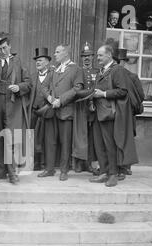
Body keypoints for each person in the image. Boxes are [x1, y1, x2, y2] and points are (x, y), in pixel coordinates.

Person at [0, 32, 31, 184]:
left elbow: (29, 83)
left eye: (5, 48)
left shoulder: (17, 61)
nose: (3, 51)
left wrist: (19, 87)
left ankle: (12, 172)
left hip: (12, 103)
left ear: (10, 46)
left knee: (10, 138)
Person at [90, 45, 138, 187]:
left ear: (109, 55)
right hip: (99, 113)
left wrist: (103, 94)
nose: (97, 58)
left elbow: (123, 91)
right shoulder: (101, 71)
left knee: (110, 146)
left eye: (100, 55)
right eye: (97, 55)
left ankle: (113, 175)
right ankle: (104, 172)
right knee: (100, 145)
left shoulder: (117, 70)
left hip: (110, 114)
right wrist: (92, 100)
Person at [42, 44, 84, 181]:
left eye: (57, 52)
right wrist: (49, 97)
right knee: (50, 141)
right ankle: (49, 169)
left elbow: (77, 88)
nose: (55, 54)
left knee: (65, 142)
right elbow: (44, 86)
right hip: (51, 111)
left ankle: (64, 170)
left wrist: (61, 100)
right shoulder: (54, 69)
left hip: (66, 111)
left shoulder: (76, 69)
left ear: (66, 53)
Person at [114, 48, 145, 178]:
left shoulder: (130, 76)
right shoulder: (131, 76)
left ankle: (123, 167)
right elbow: (141, 96)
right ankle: (123, 167)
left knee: (123, 140)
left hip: (122, 112)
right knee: (125, 140)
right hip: (124, 113)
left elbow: (140, 96)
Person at [74, 42, 99, 175]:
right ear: (81, 58)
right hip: (80, 107)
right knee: (79, 135)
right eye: (84, 56)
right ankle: (78, 163)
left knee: (91, 136)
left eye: (89, 56)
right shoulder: (77, 71)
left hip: (93, 108)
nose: (87, 58)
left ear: (93, 57)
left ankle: (89, 163)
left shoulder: (97, 71)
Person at [27, 47, 54, 172]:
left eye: (41, 60)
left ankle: (46, 164)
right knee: (32, 136)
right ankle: (35, 162)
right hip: (33, 111)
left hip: (47, 111)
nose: (38, 62)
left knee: (46, 138)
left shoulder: (54, 75)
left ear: (47, 62)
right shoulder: (32, 77)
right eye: (36, 61)